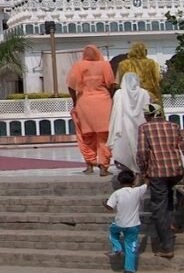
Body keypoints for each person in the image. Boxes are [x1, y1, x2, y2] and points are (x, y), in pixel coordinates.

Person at [136, 103, 184, 259]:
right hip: (176, 171)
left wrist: (144, 171)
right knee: (168, 196)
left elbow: (142, 152)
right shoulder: (173, 125)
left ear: (149, 115)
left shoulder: (145, 128)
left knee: (159, 208)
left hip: (158, 172)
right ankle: (170, 222)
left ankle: (167, 246)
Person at [66, 45, 116, 176]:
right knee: (104, 136)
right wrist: (110, 97)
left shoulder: (79, 66)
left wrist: (75, 102)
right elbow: (111, 84)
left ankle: (89, 165)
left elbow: (71, 86)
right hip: (103, 103)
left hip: (85, 102)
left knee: (86, 136)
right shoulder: (104, 65)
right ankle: (104, 167)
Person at [104, 170, 147, 273]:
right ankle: (129, 269)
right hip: (133, 225)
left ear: (119, 181)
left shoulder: (117, 193)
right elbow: (147, 183)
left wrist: (104, 203)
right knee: (130, 247)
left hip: (119, 223)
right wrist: (143, 176)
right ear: (132, 181)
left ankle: (117, 247)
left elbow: (110, 207)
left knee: (112, 232)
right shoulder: (137, 191)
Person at [107, 72, 151, 173]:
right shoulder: (144, 93)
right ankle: (141, 171)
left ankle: (130, 173)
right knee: (139, 146)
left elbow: (116, 111)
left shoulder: (119, 93)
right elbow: (147, 108)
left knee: (126, 149)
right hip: (141, 124)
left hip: (123, 125)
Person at [115, 42, 162, 106]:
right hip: (150, 97)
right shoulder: (151, 63)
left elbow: (118, 83)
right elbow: (158, 79)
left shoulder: (123, 64)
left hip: (130, 98)